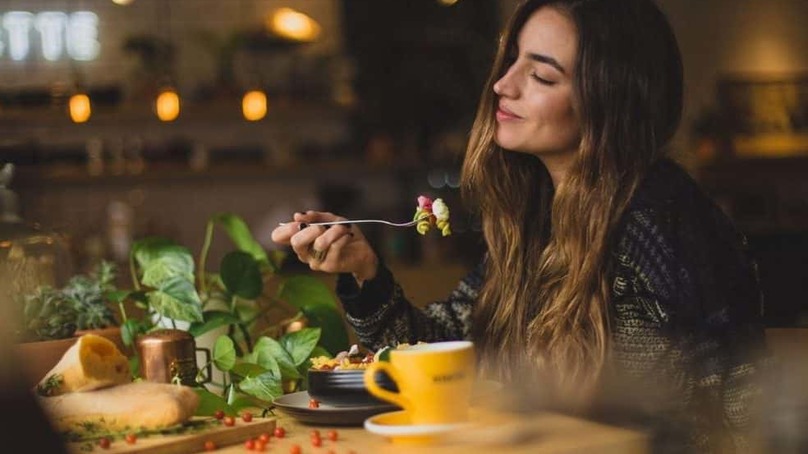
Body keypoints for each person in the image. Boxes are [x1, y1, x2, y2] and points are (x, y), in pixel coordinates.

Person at [272, 0, 769, 451]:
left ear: (609, 102)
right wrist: (364, 271)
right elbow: (445, 349)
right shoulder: (540, 217)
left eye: (543, 76)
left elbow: (723, 419)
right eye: (512, 61)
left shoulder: (656, 223)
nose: (502, 85)